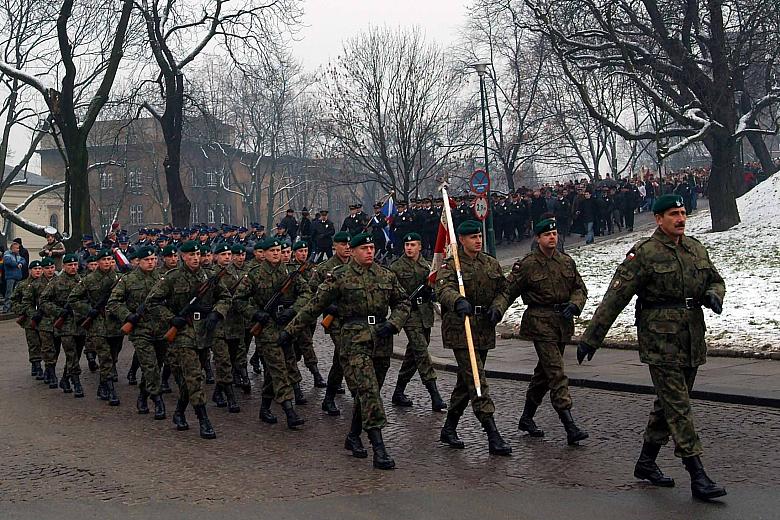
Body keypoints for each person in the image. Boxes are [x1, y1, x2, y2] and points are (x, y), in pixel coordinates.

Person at [578, 194, 727, 501]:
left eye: (683, 213)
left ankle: (646, 463)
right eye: (674, 214)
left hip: (691, 338)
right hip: (660, 341)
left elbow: (715, 279)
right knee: (679, 407)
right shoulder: (644, 253)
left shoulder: (695, 248)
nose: (681, 219)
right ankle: (697, 475)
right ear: (659, 219)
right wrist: (592, 337)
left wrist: (714, 295)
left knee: (668, 404)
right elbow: (615, 296)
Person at [282, 232, 410, 470]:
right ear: (353, 251)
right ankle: (379, 448)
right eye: (364, 248)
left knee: (368, 393)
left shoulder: (385, 275)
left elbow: (403, 302)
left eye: (372, 248)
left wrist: (394, 323)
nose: (370, 252)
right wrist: (289, 331)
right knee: (369, 391)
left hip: (381, 341)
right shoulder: (339, 277)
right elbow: (314, 305)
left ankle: (353, 435)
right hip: (353, 340)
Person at [493, 218, 589, 445]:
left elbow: (579, 288)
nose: (552, 237)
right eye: (547, 235)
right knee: (556, 372)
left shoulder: (566, 262)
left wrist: (575, 304)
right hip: (539, 322)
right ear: (538, 238)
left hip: (562, 323)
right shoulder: (527, 265)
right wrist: (498, 310)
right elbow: (508, 291)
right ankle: (570, 425)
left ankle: (526, 418)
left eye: (555, 233)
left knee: (543, 375)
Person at [435, 220, 512, 456]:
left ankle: (449, 428)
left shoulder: (490, 263)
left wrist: (498, 308)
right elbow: (442, 288)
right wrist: (457, 301)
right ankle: (492, 433)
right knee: (477, 379)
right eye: (472, 237)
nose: (478, 240)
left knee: (465, 381)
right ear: (462, 240)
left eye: (479, 236)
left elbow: (504, 290)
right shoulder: (452, 266)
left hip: (483, 328)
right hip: (461, 329)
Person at [144, 240, 231, 439]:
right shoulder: (172, 278)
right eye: (190, 255)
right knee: (194, 377)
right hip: (182, 333)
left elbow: (225, 298)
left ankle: (179, 412)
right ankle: (204, 420)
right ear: (183, 256)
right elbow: (152, 302)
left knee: (189, 381)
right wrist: (171, 318)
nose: (194, 258)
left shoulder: (209, 276)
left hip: (204, 334)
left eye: (197, 254)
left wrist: (216, 313)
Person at [234, 237, 309, 429]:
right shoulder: (254, 275)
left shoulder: (289, 272)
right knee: (278, 369)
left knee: (276, 370)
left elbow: (307, 294)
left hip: (286, 327)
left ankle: (264, 408)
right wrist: (256, 314)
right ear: (264, 253)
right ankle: (289, 412)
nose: (277, 253)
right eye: (272, 251)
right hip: (266, 330)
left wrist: (293, 310)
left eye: (279, 250)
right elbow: (238, 299)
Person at [108, 247, 167, 419]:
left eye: (154, 259)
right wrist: (128, 316)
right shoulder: (128, 280)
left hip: (162, 329)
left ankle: (143, 394)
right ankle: (157, 399)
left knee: (157, 365)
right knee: (149, 365)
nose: (151, 262)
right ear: (138, 261)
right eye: (147, 259)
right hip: (140, 329)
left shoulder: (163, 279)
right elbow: (113, 302)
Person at [388, 232, 446, 412]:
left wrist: (431, 292)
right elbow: (391, 293)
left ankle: (398, 391)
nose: (409, 248)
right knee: (421, 352)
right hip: (408, 314)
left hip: (425, 313)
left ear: (420, 246)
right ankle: (435, 395)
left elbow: (435, 286)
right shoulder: (396, 267)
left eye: (413, 245)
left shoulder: (427, 266)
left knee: (412, 354)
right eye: (407, 245)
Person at [69, 249, 125, 405]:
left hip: (116, 324)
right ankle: (110, 389)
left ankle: (102, 385)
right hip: (98, 324)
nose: (107, 262)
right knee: (105, 357)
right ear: (98, 262)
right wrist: (89, 310)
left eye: (109, 259)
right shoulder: (89, 280)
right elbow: (73, 298)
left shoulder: (119, 279)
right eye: (104, 259)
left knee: (113, 356)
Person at [309, 231, 352, 416]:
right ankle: (359, 394)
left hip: (352, 319)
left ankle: (328, 398)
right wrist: (328, 303)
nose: (347, 248)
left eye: (349, 245)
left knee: (340, 360)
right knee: (345, 354)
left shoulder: (355, 265)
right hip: (334, 320)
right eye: (343, 244)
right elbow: (311, 290)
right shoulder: (325, 268)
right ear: (335, 246)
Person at [39, 254, 85, 397]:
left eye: (75, 265)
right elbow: (43, 301)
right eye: (70, 265)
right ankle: (76, 382)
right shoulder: (56, 282)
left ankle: (65, 378)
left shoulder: (82, 281)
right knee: (71, 353)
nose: (73, 267)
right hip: (64, 324)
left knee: (76, 353)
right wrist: (59, 312)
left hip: (80, 324)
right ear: (64, 266)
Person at [289, 240, 327, 389]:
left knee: (301, 345)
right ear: (294, 253)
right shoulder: (290, 270)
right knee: (306, 343)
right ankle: (315, 374)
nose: (303, 254)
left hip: (311, 313)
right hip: (296, 314)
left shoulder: (313, 269)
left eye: (305, 251)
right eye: (300, 251)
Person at [26, 258, 60, 387]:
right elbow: (27, 303)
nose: (50, 270)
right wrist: (34, 315)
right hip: (43, 320)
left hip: (57, 319)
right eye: (46, 268)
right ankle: (51, 373)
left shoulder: (60, 281)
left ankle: (48, 368)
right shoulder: (35, 284)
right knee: (46, 347)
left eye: (52, 267)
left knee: (56, 347)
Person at [12, 259, 43, 378]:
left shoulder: (46, 284)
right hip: (29, 319)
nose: (38, 271)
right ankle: (36, 365)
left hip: (43, 318)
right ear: (30, 270)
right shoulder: (23, 284)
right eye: (35, 269)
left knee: (44, 342)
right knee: (33, 342)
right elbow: (14, 300)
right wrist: (22, 310)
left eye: (40, 269)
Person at [3, 241, 27, 313]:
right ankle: (6, 308)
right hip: (10, 277)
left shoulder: (19, 256)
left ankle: (14, 308)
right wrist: (17, 264)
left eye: (18, 248)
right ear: (12, 248)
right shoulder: (7, 255)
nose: (18, 250)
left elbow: (24, 261)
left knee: (16, 294)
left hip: (18, 277)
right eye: (17, 248)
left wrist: (20, 263)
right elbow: (8, 262)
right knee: (9, 293)